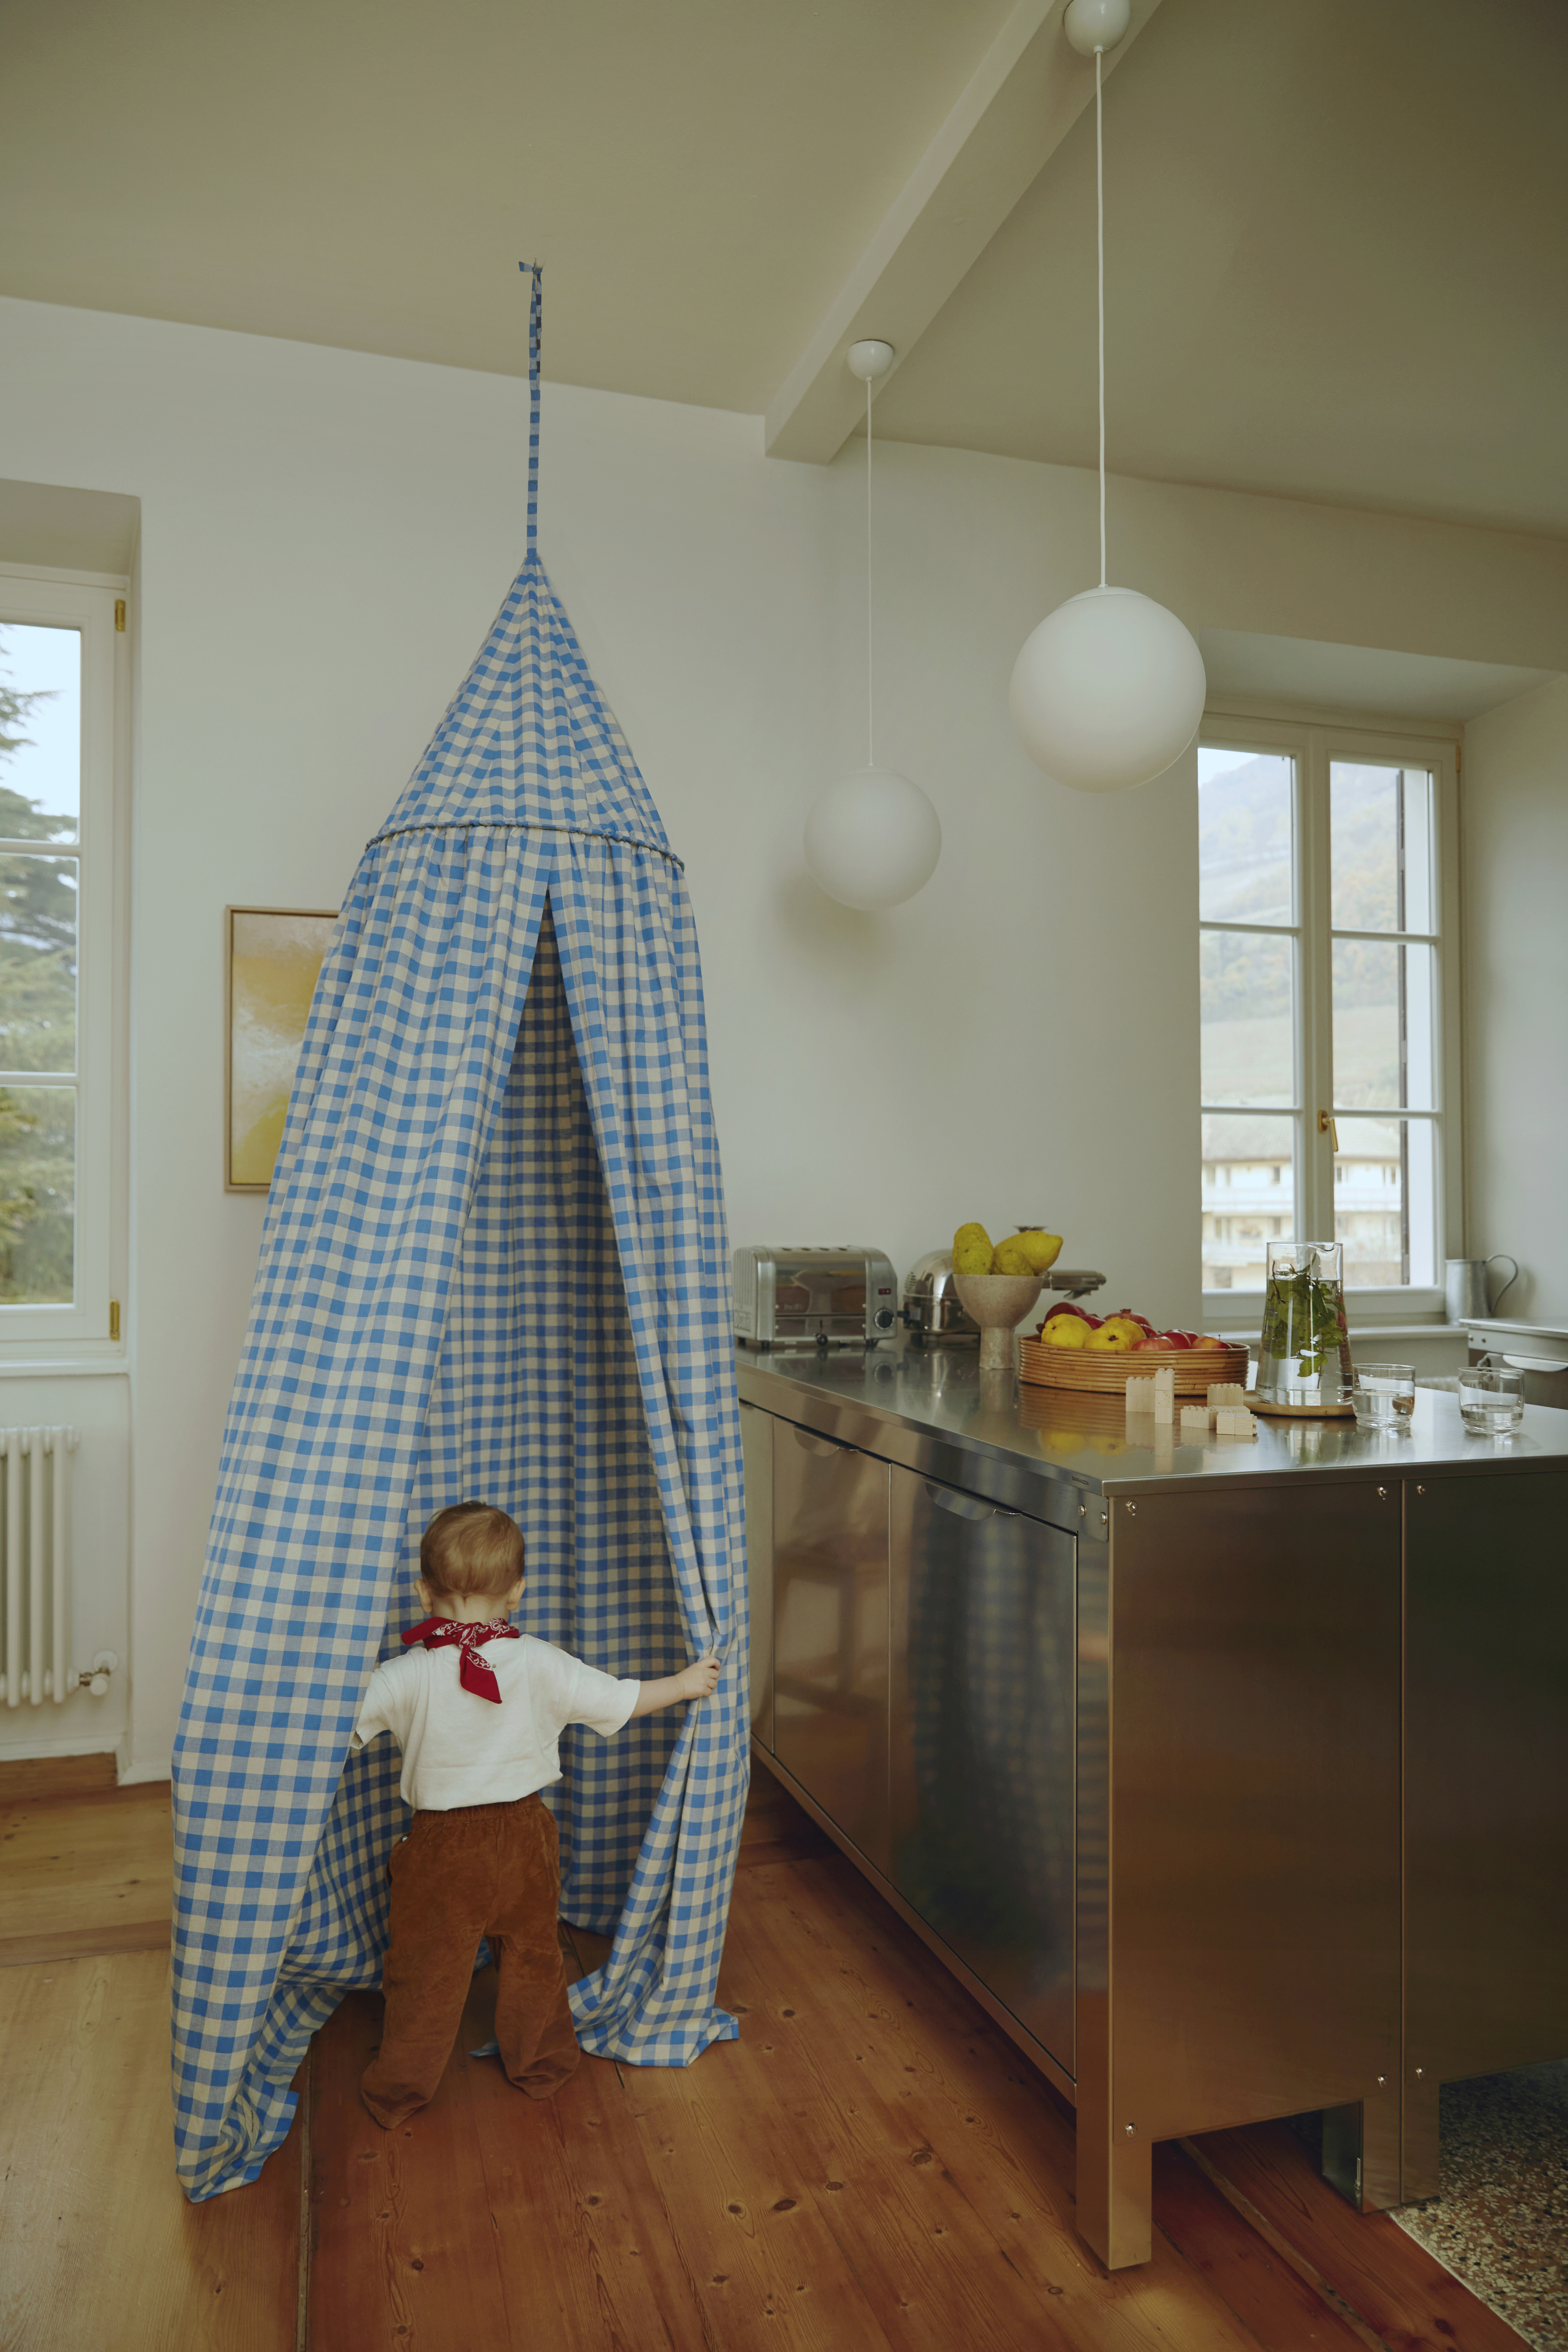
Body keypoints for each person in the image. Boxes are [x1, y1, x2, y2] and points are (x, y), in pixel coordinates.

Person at [351, 1499, 719, 2128]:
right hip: (527, 1837)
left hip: (443, 1851)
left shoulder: (402, 1676)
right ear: (518, 1591)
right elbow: (619, 1699)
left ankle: (400, 2090)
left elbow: (329, 1731)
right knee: (534, 1958)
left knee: (426, 1974)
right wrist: (685, 1685)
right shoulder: (543, 1661)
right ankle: (543, 2063)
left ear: (422, 1592)